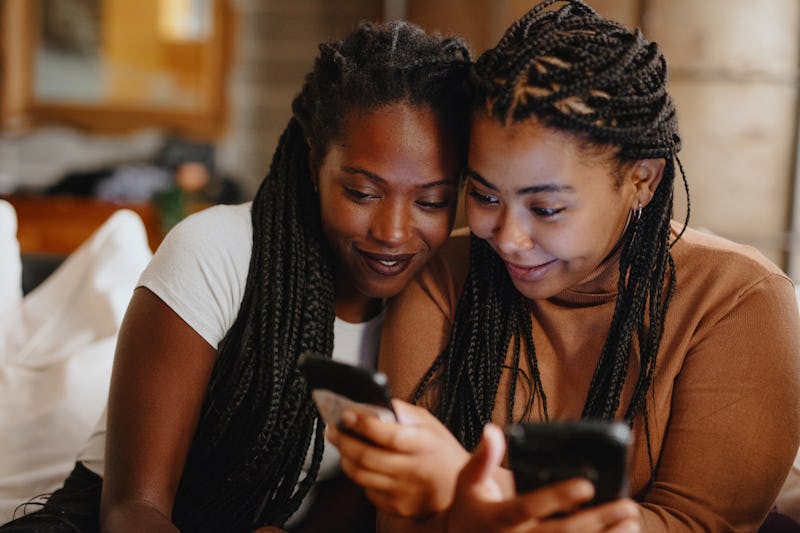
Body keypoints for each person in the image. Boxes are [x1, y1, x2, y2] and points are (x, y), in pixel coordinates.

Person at [327, 1, 800, 531]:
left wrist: (469, 485)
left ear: (641, 179)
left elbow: (698, 525)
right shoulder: (446, 277)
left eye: (547, 208)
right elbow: (399, 522)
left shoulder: (738, 299)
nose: (507, 237)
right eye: (484, 196)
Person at [0, 20, 471, 533]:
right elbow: (133, 509)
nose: (394, 232)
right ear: (316, 163)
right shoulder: (217, 252)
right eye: (362, 192)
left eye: (431, 201)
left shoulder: (425, 315)